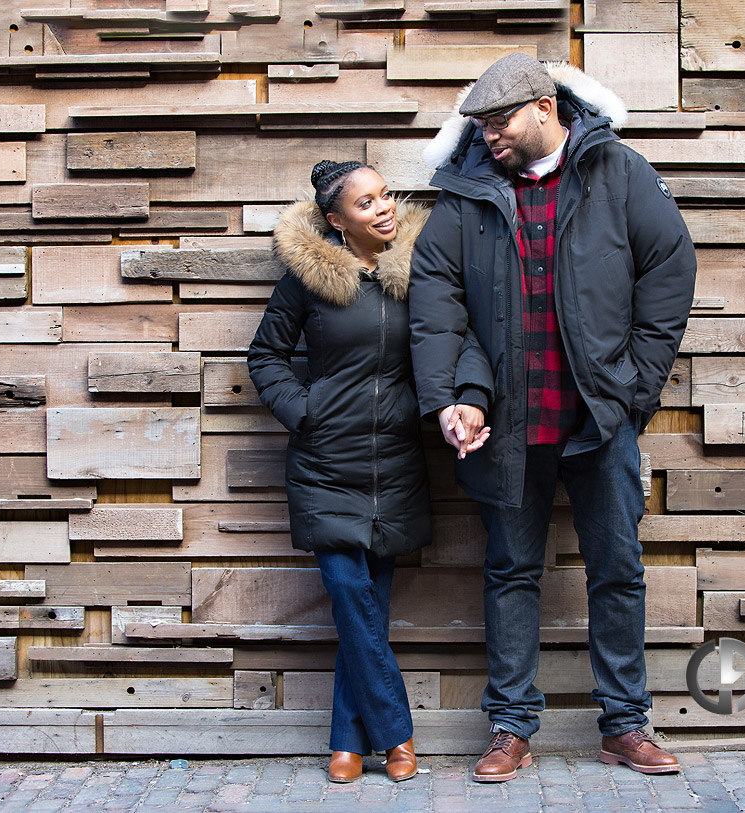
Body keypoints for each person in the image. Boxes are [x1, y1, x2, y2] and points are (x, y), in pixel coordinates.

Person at [408, 54, 697, 781]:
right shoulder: (467, 195)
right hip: (506, 427)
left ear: (544, 106)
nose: (487, 135)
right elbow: (437, 301)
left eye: (498, 120)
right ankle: (510, 726)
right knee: (509, 571)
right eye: (477, 124)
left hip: (601, 420)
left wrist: (635, 387)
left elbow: (669, 266)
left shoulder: (617, 171)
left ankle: (625, 724)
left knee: (617, 570)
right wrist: (451, 397)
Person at [248, 160, 490, 783]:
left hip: (396, 465)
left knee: (370, 609)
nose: (384, 209)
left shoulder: (421, 274)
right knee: (350, 594)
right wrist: (305, 413)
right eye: (365, 204)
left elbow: (460, 342)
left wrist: (460, 402)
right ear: (335, 220)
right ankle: (397, 732)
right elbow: (267, 355)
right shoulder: (308, 280)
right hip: (326, 462)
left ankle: (347, 744)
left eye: (385, 195)